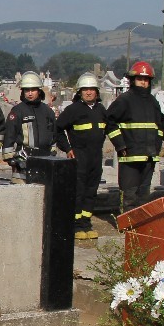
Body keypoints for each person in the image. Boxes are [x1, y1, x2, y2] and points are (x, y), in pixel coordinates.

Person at [55, 72, 108, 239]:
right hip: (79, 156)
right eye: (85, 90)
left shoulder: (101, 110)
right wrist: (67, 148)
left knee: (91, 191)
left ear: (97, 92)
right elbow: (58, 130)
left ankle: (86, 222)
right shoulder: (73, 110)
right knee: (79, 191)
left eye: (92, 89)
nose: (89, 92)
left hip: (95, 157)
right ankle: (76, 225)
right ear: (80, 92)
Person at [105, 61, 163, 211]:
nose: (143, 83)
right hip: (130, 156)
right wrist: (120, 144)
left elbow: (160, 125)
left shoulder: (153, 102)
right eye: (140, 79)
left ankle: (141, 227)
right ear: (132, 80)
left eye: (146, 80)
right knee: (129, 194)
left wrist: (157, 145)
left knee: (144, 195)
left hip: (149, 157)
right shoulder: (124, 100)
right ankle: (127, 227)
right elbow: (109, 123)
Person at [3, 71, 57, 183]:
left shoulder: (48, 111)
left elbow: (53, 134)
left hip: (44, 160)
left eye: (33, 90)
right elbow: (9, 136)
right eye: (27, 90)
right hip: (23, 162)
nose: (30, 93)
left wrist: (52, 153)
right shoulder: (17, 111)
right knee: (23, 197)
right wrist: (11, 159)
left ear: (39, 91)